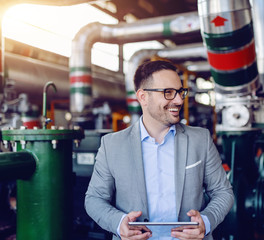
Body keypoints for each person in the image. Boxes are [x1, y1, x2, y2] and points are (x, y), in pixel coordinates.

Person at [85, 60, 234, 240]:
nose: (179, 100)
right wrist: (119, 223)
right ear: (143, 97)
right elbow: (94, 199)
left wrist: (206, 221)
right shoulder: (112, 145)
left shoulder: (200, 139)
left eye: (180, 92)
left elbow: (223, 192)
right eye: (168, 93)